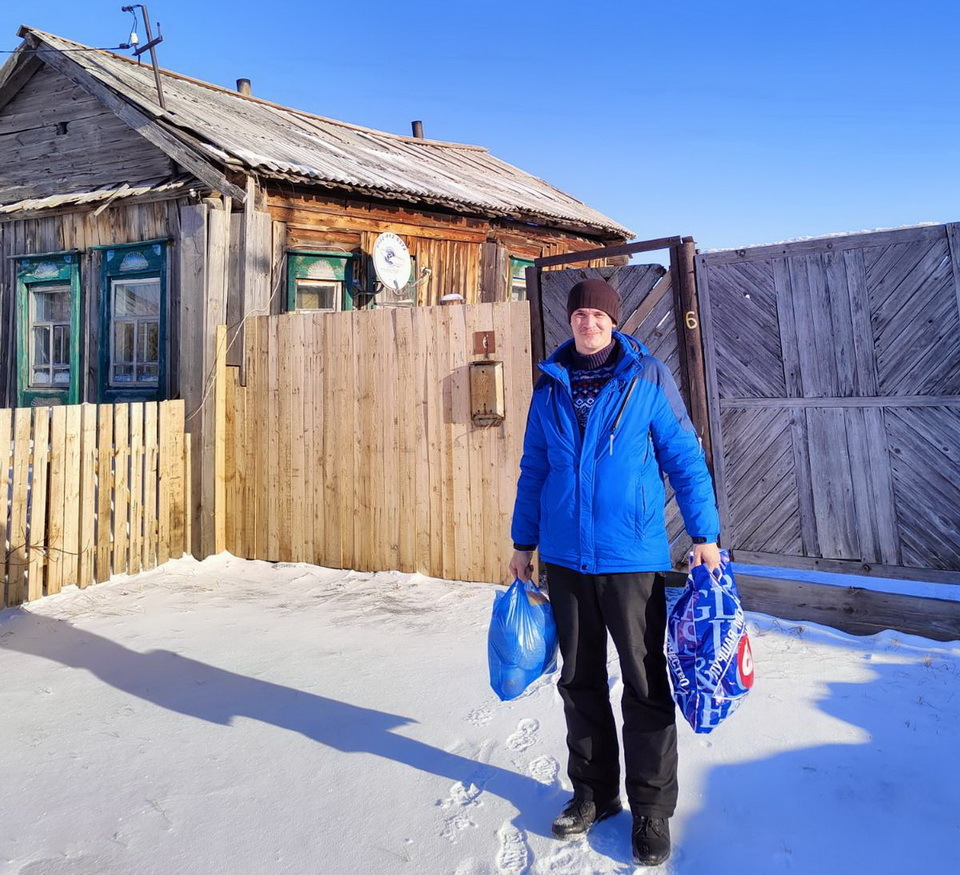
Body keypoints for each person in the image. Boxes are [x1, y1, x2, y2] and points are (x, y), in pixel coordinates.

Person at [508, 278, 721, 867]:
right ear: (569, 320)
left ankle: (651, 811)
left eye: (599, 314)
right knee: (578, 681)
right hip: (566, 559)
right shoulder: (550, 387)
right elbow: (534, 468)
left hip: (633, 559)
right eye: (580, 313)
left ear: (614, 320)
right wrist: (523, 542)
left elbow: (683, 456)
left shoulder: (646, 377)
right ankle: (595, 794)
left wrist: (705, 536)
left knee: (646, 684)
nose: (589, 322)